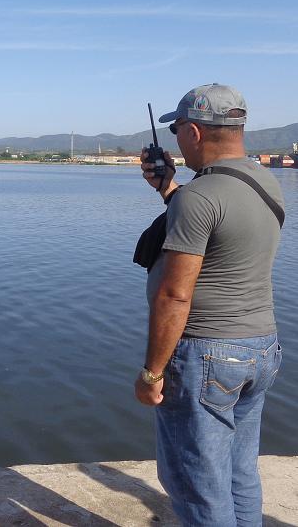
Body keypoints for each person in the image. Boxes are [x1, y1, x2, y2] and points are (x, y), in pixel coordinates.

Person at [135, 83, 284, 526]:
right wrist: (168, 189)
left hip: (206, 356)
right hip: (260, 349)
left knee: (196, 484)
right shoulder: (264, 181)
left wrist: (152, 374)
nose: (177, 140)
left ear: (195, 132)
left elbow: (174, 295)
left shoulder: (198, 197)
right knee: (239, 472)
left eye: (178, 130)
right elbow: (221, 229)